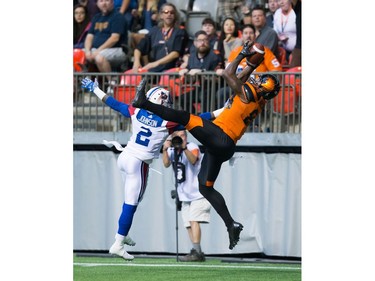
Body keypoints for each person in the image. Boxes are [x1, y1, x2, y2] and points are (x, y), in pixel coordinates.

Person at [131, 41, 281, 250]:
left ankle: (144, 103)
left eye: (261, 81)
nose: (257, 81)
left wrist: (241, 56)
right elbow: (242, 79)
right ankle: (231, 224)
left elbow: (228, 75)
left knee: (185, 117)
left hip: (220, 136)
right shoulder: (258, 98)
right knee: (205, 186)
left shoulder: (249, 94)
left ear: (261, 89)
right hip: (225, 145)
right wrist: (252, 65)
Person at [80, 76, 217, 260]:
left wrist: (95, 89)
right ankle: (118, 243)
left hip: (125, 157)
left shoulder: (136, 111)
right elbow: (199, 119)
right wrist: (224, 110)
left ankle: (122, 233)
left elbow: (113, 103)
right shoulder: (167, 122)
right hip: (139, 162)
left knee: (132, 200)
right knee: (131, 204)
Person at [162, 130, 211, 262]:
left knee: (194, 219)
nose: (181, 138)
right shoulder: (173, 150)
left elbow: (194, 160)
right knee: (188, 223)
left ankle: (197, 251)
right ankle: (197, 251)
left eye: (183, 136)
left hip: (198, 192)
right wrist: (164, 149)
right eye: (177, 136)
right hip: (184, 194)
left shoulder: (192, 146)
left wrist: (183, 148)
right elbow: (166, 164)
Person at [217, 23, 282, 110]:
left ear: (255, 35)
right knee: (221, 93)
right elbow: (228, 71)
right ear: (242, 36)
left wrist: (263, 79)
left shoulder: (264, 51)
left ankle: (255, 123)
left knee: (253, 97)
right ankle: (224, 114)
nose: (248, 35)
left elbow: (276, 70)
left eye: (251, 33)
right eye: (246, 33)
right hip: (238, 85)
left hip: (257, 87)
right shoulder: (235, 51)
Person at [131, 2, 189, 73]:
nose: (169, 14)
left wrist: (155, 63)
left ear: (175, 16)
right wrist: (136, 62)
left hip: (173, 69)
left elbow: (175, 53)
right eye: (166, 12)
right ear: (161, 15)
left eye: (172, 12)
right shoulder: (154, 31)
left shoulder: (180, 31)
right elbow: (139, 48)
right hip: (155, 70)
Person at [84, 0, 128, 93]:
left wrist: (97, 51)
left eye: (107, 0)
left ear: (112, 2)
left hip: (117, 49)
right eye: (101, 1)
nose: (104, 3)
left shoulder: (118, 16)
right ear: (97, 4)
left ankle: (112, 84)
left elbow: (114, 38)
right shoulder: (96, 17)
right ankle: (79, 86)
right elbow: (89, 37)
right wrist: (87, 51)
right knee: (76, 55)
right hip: (96, 50)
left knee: (99, 57)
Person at [178, 30, 224, 114]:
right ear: (195, 43)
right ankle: (194, 119)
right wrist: (186, 72)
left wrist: (202, 71)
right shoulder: (192, 56)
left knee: (204, 95)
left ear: (208, 41)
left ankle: (206, 122)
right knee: (183, 98)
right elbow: (191, 81)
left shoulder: (215, 55)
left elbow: (217, 78)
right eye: (199, 40)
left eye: (205, 40)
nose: (202, 43)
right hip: (201, 87)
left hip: (215, 87)